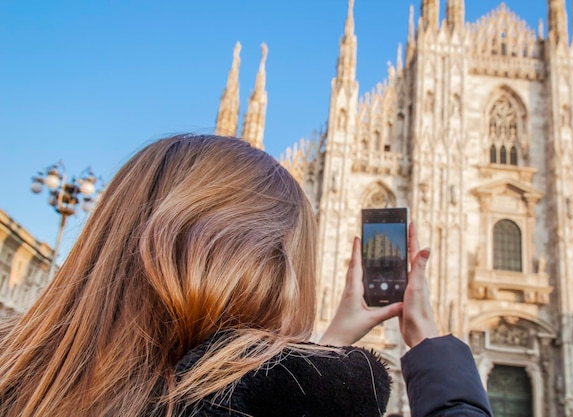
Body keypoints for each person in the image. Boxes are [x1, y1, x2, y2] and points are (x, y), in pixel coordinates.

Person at [0, 135, 492, 417]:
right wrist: (433, 350)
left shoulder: (18, 380)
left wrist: (328, 347)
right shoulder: (313, 400)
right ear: (275, 276)